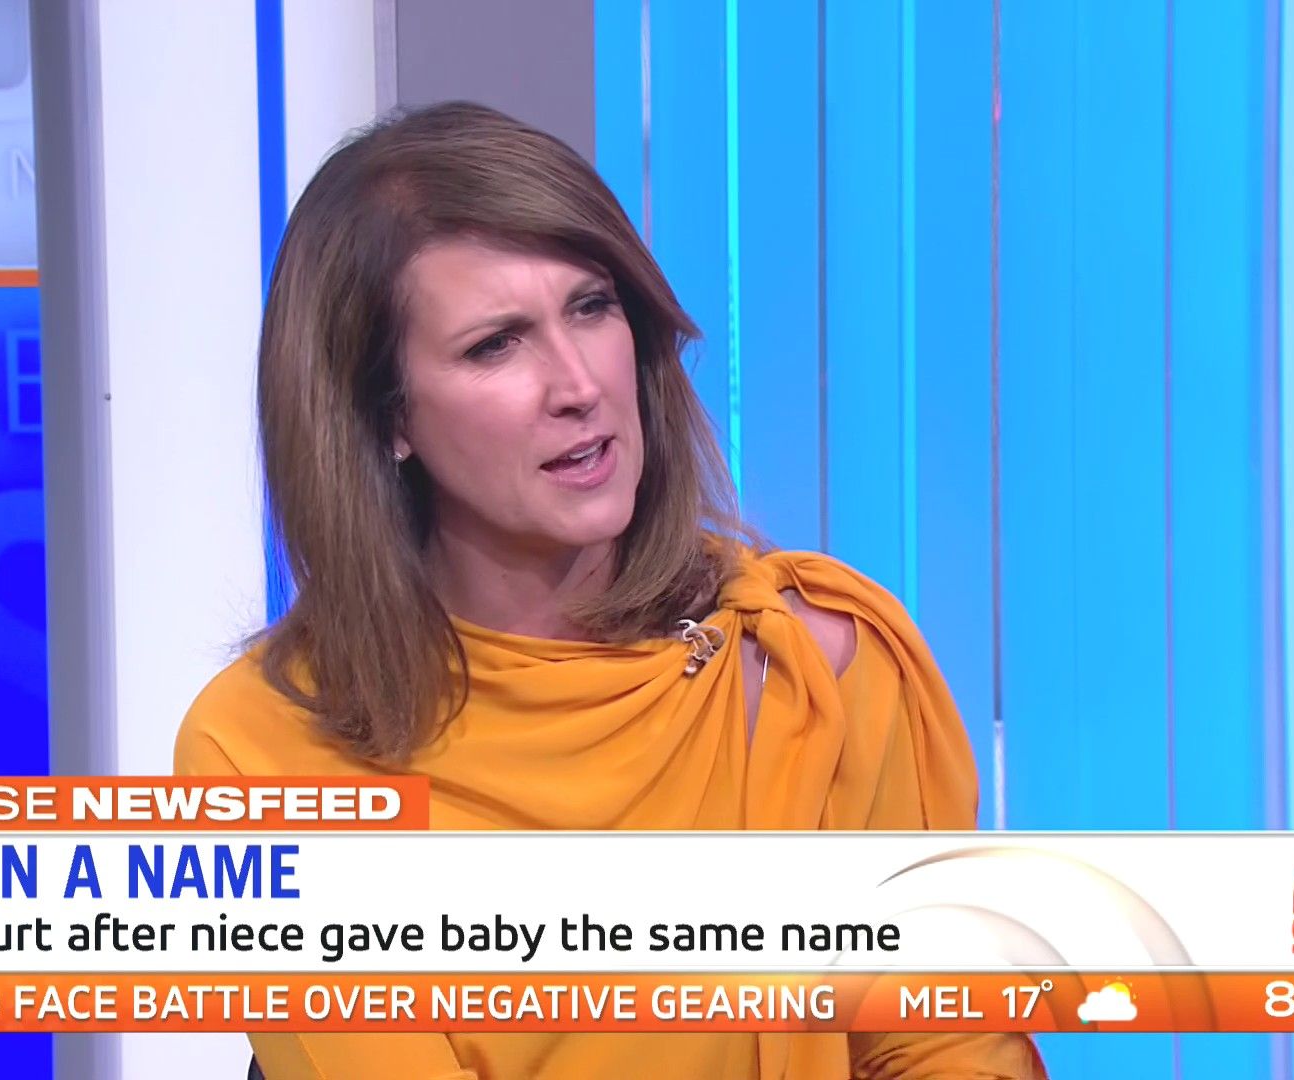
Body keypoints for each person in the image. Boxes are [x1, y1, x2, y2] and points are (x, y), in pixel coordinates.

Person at [175, 100, 1045, 1080]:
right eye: (495, 344)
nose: (577, 383)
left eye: (591, 307)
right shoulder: (263, 752)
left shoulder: (815, 663)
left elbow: (943, 1043)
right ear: (387, 419)